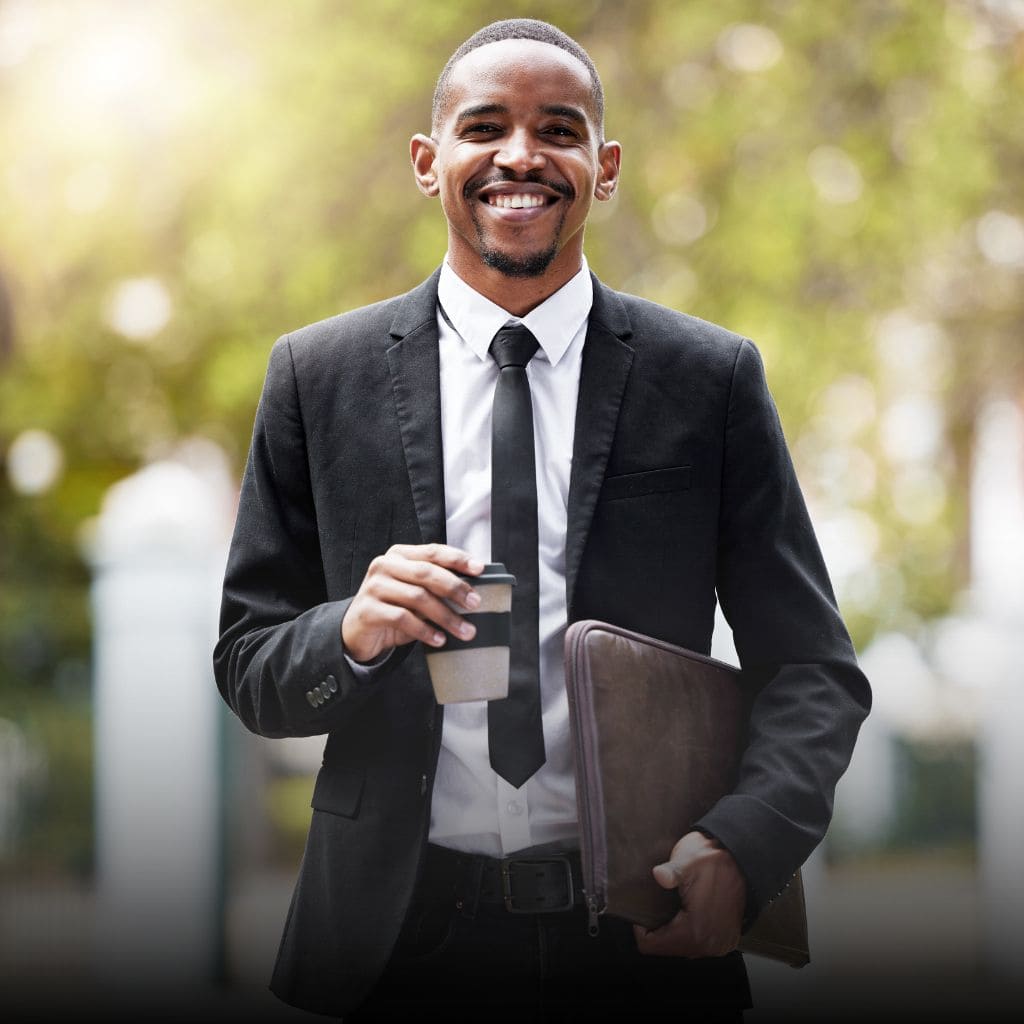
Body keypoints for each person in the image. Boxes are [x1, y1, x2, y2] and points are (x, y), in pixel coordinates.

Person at [214, 17, 870, 1023]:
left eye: (557, 130)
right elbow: (251, 666)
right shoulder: (315, 376)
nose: (520, 154)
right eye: (485, 127)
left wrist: (742, 844)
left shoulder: (709, 380)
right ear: (428, 163)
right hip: (393, 945)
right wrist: (348, 630)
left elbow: (812, 671)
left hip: (641, 938)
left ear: (603, 169)